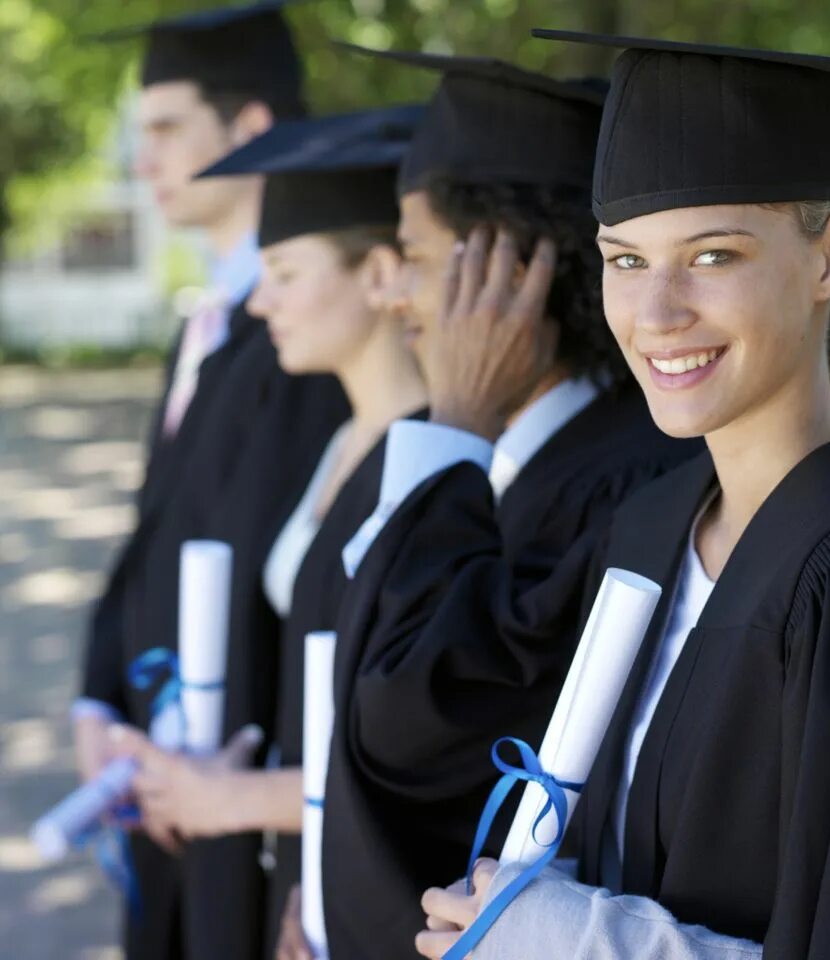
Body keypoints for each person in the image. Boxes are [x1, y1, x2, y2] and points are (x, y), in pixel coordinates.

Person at [417, 34, 830, 960]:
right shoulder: (656, 521)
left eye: (712, 256)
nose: (658, 312)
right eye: (625, 259)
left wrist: (568, 938)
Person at [274, 47, 699, 960]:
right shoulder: (519, 459)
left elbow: (408, 720)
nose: (395, 296)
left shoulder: (625, 482)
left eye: (417, 257)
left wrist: (457, 417)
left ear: (514, 270)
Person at [110, 104, 428, 959]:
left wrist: (229, 799)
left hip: (370, 887)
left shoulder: (432, 467)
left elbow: (425, 754)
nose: (263, 297)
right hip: (293, 857)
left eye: (286, 271)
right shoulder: (336, 441)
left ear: (380, 275)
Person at [74, 5, 347, 958]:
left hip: (240, 792)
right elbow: (154, 533)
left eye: (164, 129)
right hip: (157, 778)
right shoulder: (207, 325)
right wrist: (97, 702)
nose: (140, 157)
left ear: (250, 131)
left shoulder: (309, 347)